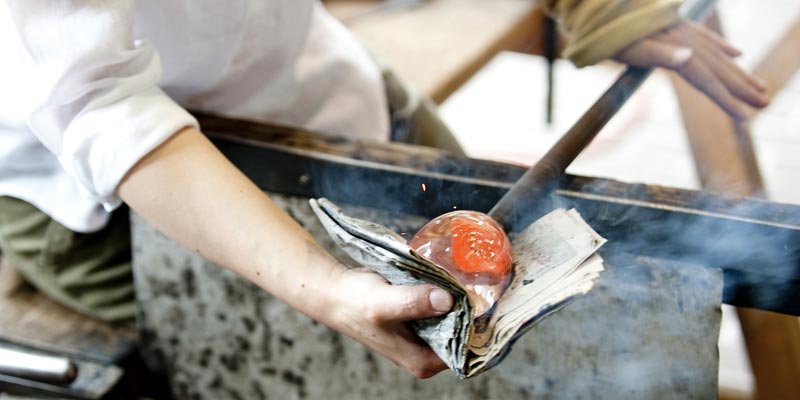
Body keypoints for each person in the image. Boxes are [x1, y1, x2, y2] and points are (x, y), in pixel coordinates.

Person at [0, 0, 767, 379]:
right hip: (89, 182)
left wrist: (599, 7)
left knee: (512, 328)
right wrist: (322, 288)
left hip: (308, 79)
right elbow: (100, 105)